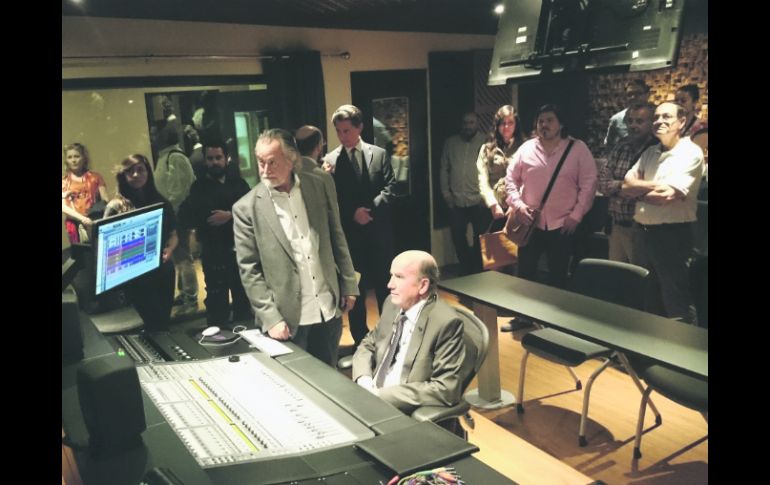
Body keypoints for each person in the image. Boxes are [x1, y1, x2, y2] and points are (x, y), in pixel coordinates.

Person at [233, 129, 359, 366]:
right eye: (261, 162)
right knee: (297, 386)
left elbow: (336, 235)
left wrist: (349, 282)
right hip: (286, 318)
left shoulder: (319, 185)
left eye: (272, 162)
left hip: (327, 308)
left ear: (291, 160)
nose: (265, 170)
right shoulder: (245, 208)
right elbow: (249, 270)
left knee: (330, 380)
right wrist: (270, 318)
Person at [352, 250, 467, 414]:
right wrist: (363, 378)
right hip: (368, 396)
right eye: (391, 276)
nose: (389, 284)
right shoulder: (391, 304)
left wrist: (382, 395)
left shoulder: (446, 323)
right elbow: (369, 343)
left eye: (399, 277)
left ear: (423, 285)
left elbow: (446, 389)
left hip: (399, 409)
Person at [622, 102, 704, 323]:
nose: (659, 121)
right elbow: (626, 185)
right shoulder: (650, 152)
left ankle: (683, 353)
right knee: (647, 296)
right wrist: (652, 186)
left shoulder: (690, 153)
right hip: (642, 233)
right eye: (657, 117)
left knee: (675, 300)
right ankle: (650, 354)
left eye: (667, 117)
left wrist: (638, 189)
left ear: (682, 122)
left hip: (672, 237)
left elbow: (665, 197)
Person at [322, 104, 397, 349]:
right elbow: (331, 199)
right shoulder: (330, 160)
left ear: (359, 127)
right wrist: (353, 213)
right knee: (356, 290)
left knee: (386, 287)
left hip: (379, 233)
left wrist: (370, 211)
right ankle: (360, 341)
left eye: (346, 130)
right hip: (351, 238)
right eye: (338, 131)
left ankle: (390, 336)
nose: (342, 136)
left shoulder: (379, 154)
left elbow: (391, 188)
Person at [505, 104, 598, 289]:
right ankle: (525, 316)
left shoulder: (578, 149)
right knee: (526, 274)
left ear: (561, 124)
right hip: (530, 223)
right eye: (540, 121)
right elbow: (510, 180)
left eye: (549, 120)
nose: (544, 125)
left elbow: (589, 184)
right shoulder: (526, 148)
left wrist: (576, 216)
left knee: (558, 276)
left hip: (563, 224)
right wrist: (519, 206)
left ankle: (554, 316)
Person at [179, 140, 251, 327]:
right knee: (217, 309)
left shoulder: (239, 183)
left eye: (218, 158)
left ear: (226, 158)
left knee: (244, 306)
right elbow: (199, 216)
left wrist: (230, 215)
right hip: (213, 254)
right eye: (210, 158)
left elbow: (252, 210)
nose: (214, 162)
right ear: (205, 160)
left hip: (240, 253)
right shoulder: (198, 187)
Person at [104, 154, 178, 331]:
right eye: (130, 171)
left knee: (163, 321)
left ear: (148, 173)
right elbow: (107, 247)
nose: (136, 175)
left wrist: (170, 250)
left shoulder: (162, 202)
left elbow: (174, 235)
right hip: (136, 276)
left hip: (163, 269)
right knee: (153, 322)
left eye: (141, 170)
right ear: (123, 175)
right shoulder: (115, 206)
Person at [597, 102, 657, 264]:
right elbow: (602, 183)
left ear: (652, 123)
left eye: (639, 121)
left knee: (641, 277)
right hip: (616, 224)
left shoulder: (656, 150)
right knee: (617, 276)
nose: (633, 125)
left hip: (640, 228)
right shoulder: (620, 146)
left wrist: (617, 185)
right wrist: (628, 187)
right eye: (630, 121)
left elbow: (649, 191)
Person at [154, 123, 199, 315]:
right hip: (173, 215)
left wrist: (170, 217)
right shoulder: (166, 157)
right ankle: (185, 294)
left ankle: (191, 298)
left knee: (182, 258)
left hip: (177, 216)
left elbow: (178, 192)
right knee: (178, 258)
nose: (153, 138)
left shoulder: (175, 158)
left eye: (155, 134)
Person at [440, 112, 488, 275]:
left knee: (480, 237)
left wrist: (487, 197)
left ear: (477, 124)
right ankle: (466, 267)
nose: (468, 126)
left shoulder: (486, 142)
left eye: (472, 123)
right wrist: (447, 195)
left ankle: (477, 268)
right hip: (456, 200)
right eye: (465, 122)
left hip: (479, 200)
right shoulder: (450, 143)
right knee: (457, 237)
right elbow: (444, 169)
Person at [477, 105, 525, 231]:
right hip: (491, 209)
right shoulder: (486, 149)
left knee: (516, 249)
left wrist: (515, 204)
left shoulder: (525, 148)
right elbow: (482, 181)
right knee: (492, 249)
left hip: (517, 208)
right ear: (497, 125)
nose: (506, 127)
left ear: (516, 125)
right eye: (503, 123)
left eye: (510, 123)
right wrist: (493, 204)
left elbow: (528, 180)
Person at [62, 143, 109, 243]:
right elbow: (63, 207)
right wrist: (82, 219)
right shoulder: (64, 182)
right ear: (66, 160)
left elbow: (105, 200)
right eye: (70, 157)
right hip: (75, 225)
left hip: (95, 221)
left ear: (83, 158)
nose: (73, 160)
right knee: (82, 255)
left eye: (77, 156)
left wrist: (101, 221)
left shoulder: (95, 177)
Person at [603, 79, 650, 148]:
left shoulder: (658, 116)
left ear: (647, 95)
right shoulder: (616, 120)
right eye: (629, 94)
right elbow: (609, 144)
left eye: (638, 93)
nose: (633, 97)